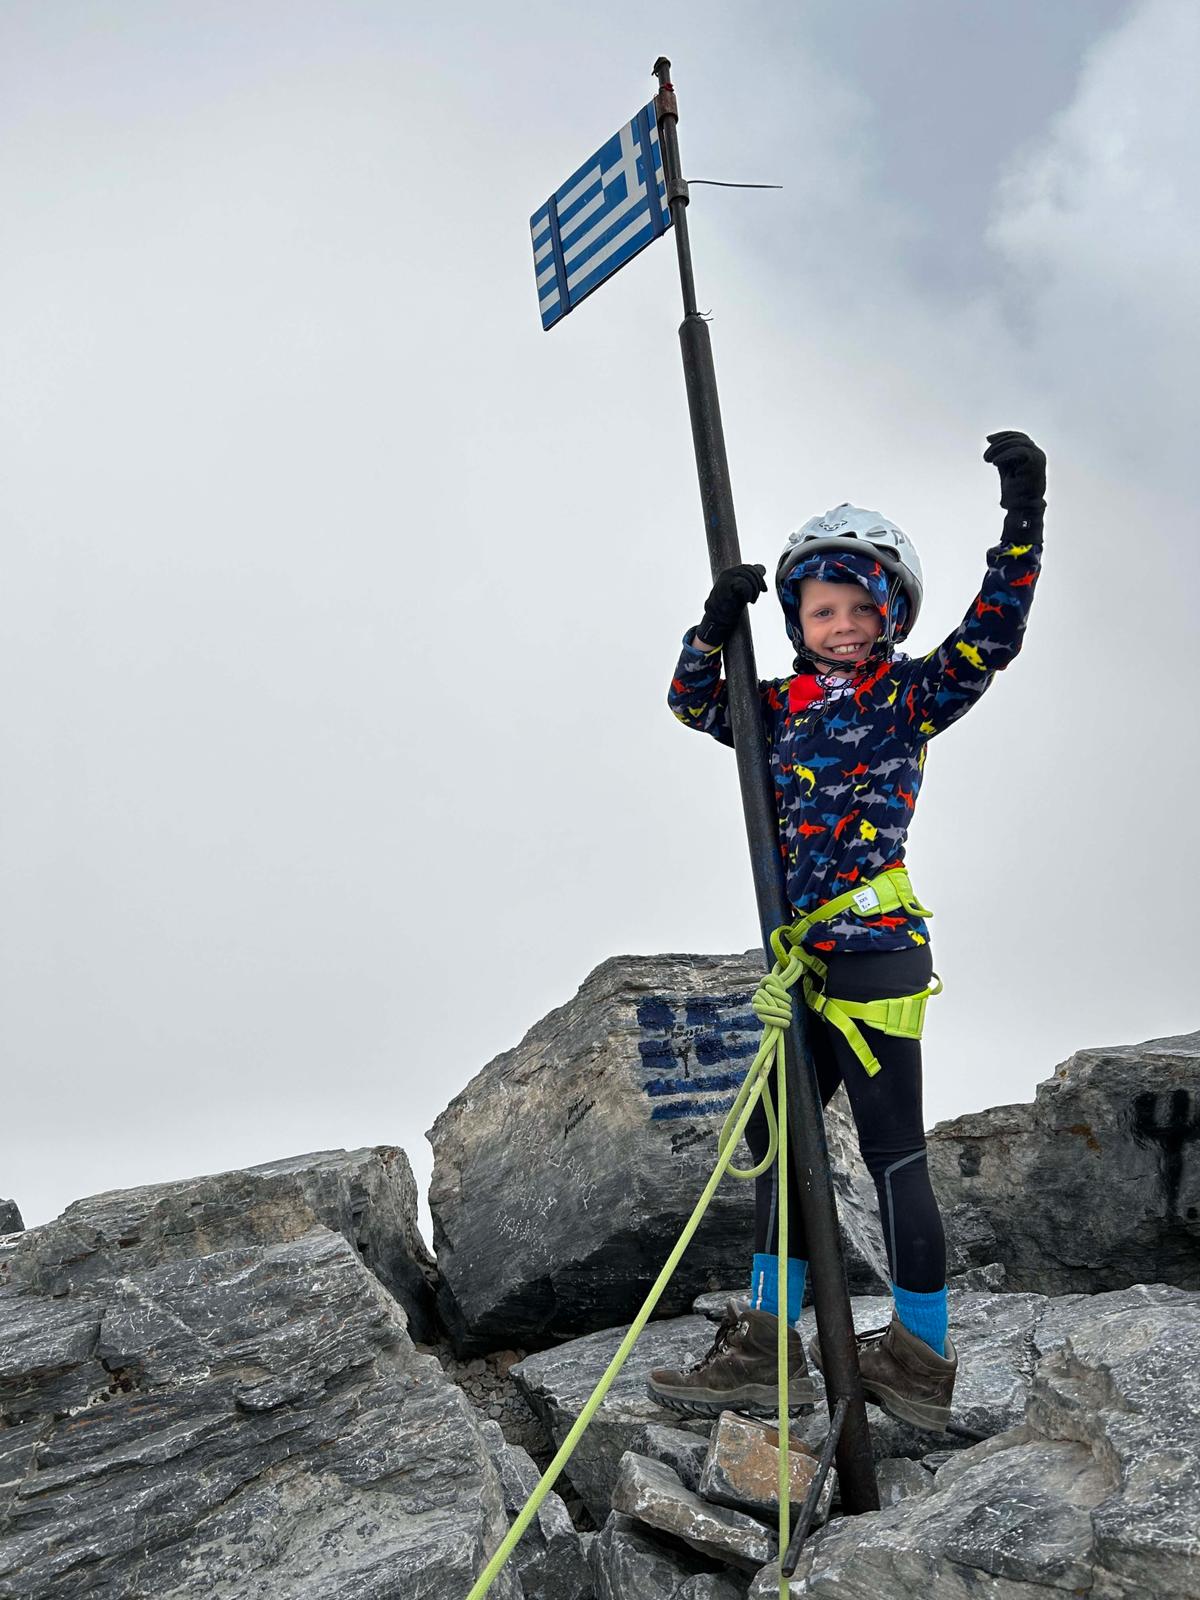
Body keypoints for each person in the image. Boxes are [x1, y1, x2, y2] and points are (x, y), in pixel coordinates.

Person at [646, 431, 1046, 1433]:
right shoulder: (773, 706)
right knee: (783, 1146)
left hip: (874, 954)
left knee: (891, 1153)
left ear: (893, 615)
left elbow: (994, 633)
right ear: (798, 619)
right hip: (809, 961)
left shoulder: (910, 696)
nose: (844, 623)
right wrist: (713, 623)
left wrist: (1023, 514)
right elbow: (692, 701)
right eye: (823, 608)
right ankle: (768, 1343)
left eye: (865, 608)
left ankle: (918, 1351)